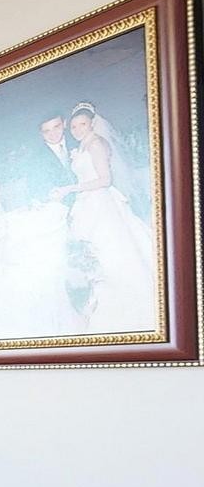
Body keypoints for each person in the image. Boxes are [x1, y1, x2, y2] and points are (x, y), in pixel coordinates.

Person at [52, 106, 160, 333]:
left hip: (101, 202)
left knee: (111, 251)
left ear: (92, 123)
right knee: (95, 256)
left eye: (82, 124)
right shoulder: (82, 145)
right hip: (88, 203)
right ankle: (97, 301)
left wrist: (71, 188)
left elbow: (105, 179)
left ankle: (124, 303)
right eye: (73, 126)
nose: (77, 129)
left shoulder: (96, 144)